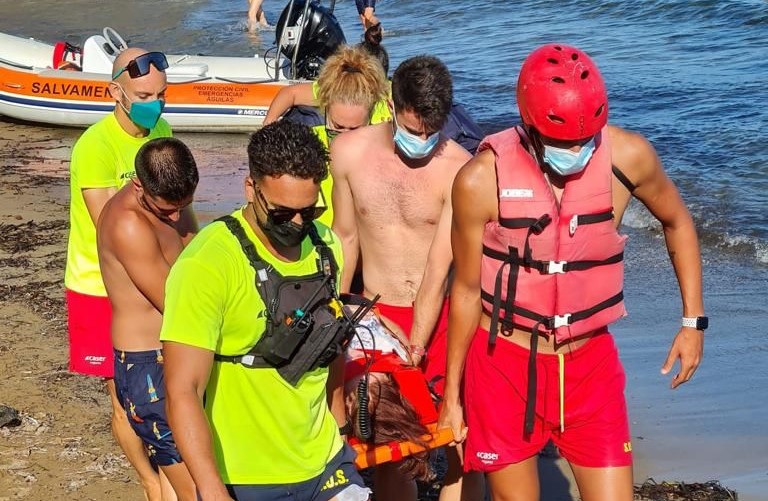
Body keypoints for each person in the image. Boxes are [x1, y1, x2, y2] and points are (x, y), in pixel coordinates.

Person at [440, 43, 706, 501]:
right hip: (504, 366)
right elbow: (464, 290)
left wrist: (692, 322)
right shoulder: (479, 180)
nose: (577, 151)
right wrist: (451, 397)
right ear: (529, 123)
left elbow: (678, 221)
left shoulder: (630, 157)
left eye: (586, 140)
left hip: (590, 368)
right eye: (563, 142)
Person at [160, 121, 370, 501]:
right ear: (250, 189)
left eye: (309, 212)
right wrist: (210, 488)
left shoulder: (326, 247)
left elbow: (332, 345)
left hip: (325, 461)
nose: (296, 224)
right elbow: (182, 390)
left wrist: (340, 427)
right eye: (281, 214)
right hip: (247, 476)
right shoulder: (207, 264)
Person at [331, 55, 484, 501]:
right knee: (389, 447)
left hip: (438, 318)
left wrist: (414, 344)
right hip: (374, 314)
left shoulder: (458, 168)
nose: (422, 141)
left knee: (457, 439)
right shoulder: (349, 153)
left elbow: (439, 269)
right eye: (414, 129)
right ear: (392, 105)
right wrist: (344, 318)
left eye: (431, 133)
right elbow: (345, 238)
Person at [64, 47, 172, 501]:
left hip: (150, 274)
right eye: (145, 95)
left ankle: (168, 473)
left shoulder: (160, 129)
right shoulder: (95, 146)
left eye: (162, 95)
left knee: (163, 385)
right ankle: (150, 482)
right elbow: (110, 225)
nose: (157, 105)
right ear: (116, 92)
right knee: (122, 395)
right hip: (97, 286)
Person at [97, 137, 199, 500]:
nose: (176, 218)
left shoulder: (172, 196)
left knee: (180, 477)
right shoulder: (127, 224)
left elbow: (196, 263)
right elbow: (175, 302)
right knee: (195, 486)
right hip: (146, 362)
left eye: (183, 207)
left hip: (178, 350)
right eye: (165, 211)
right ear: (139, 186)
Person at [263, 45, 389, 226]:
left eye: (354, 129)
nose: (344, 137)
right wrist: (268, 125)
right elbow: (290, 93)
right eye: (338, 126)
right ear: (325, 106)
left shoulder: (385, 111)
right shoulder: (311, 142)